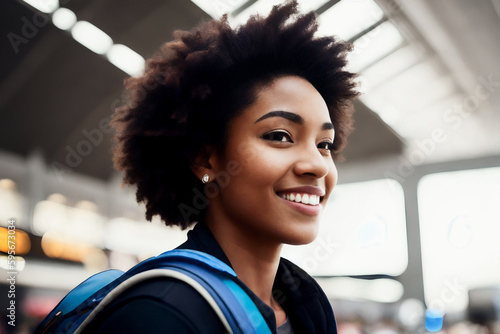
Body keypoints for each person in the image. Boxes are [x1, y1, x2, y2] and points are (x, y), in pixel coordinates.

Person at [89, 1, 358, 333]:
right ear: (206, 160)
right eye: (279, 136)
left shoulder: (308, 308)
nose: (317, 165)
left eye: (324, 144)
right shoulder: (159, 315)